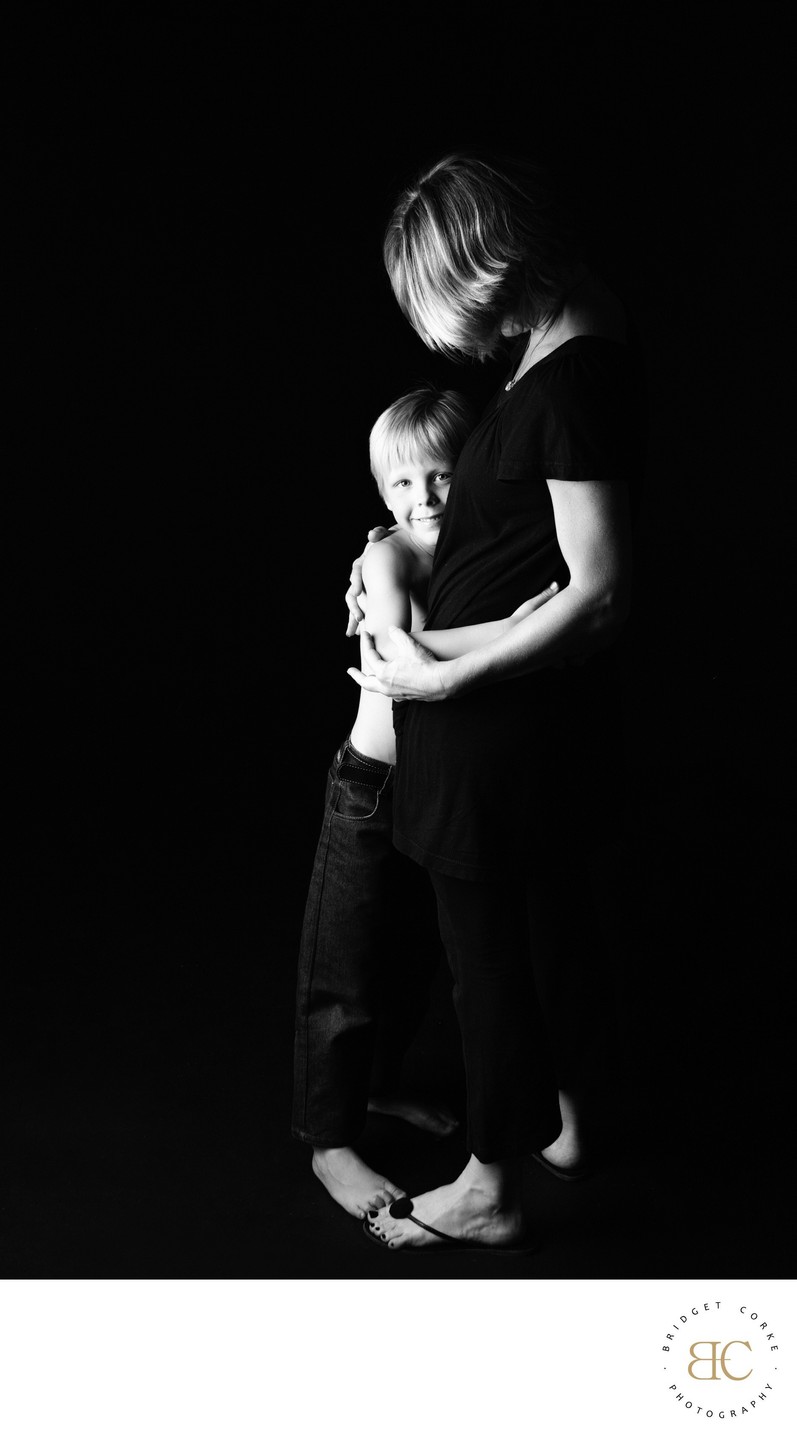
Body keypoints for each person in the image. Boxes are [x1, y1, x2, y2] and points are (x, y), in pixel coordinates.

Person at [346, 151, 646, 1252]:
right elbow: (525, 563)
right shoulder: (565, 339)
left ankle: (489, 1185)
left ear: (480, 264)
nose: (448, 335)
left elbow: (600, 595)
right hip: (500, 719)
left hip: (497, 732)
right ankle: (572, 1122)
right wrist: (395, 575)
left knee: (488, 966)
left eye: (440, 300)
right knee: (548, 931)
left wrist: (436, 673)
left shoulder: (573, 379)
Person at [292, 383, 560, 1220]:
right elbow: (394, 652)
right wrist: (529, 622)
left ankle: (379, 1089)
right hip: (371, 783)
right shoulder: (387, 556)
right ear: (381, 495)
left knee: (412, 951)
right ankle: (329, 1141)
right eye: (402, 486)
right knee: (343, 958)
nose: (424, 499)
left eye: (442, 477)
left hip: (442, 787)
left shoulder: (484, 543)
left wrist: (530, 615)